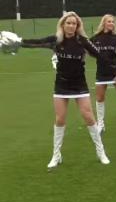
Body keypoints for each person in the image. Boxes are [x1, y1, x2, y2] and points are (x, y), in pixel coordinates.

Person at [21, 11, 111, 168]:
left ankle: (101, 151)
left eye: (74, 23)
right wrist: (18, 41)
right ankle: (56, 156)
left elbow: (99, 55)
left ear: (77, 26)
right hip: (61, 85)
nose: (71, 25)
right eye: (68, 23)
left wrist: (113, 69)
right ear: (62, 24)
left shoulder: (82, 41)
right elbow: (35, 42)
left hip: (79, 85)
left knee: (89, 117)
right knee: (60, 119)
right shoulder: (56, 40)